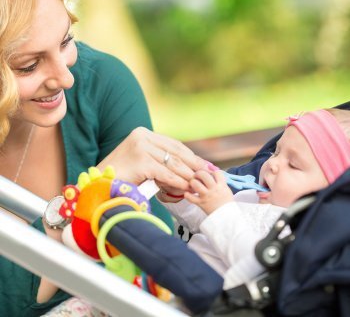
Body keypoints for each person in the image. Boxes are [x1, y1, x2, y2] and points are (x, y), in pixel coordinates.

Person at [0, 0, 209, 315]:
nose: (65, 78)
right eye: (29, 65)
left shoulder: (100, 86)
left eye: (65, 42)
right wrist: (95, 195)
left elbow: (154, 271)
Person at [98, 108, 350, 314]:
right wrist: (183, 199)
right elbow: (204, 225)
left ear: (327, 193)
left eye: (293, 165)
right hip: (162, 288)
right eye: (276, 152)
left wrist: (220, 208)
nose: (271, 165)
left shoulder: (299, 229)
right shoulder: (254, 198)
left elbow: (259, 266)